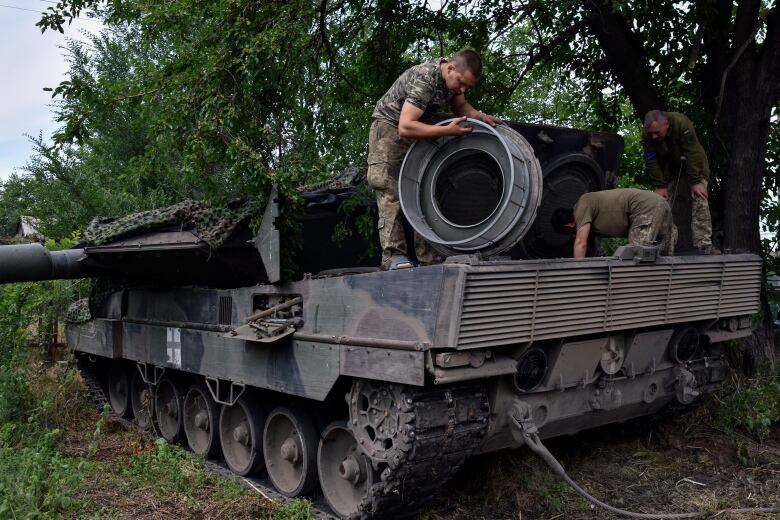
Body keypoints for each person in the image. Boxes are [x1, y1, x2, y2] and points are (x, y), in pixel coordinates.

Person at [367, 49, 503, 270]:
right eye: (461, 82)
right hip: (389, 130)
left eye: (467, 86)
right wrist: (446, 131)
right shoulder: (426, 79)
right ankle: (394, 258)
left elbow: (461, 107)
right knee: (390, 192)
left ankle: (428, 259)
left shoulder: (453, 81)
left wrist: (481, 116)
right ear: (450, 68)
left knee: (422, 191)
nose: (462, 89)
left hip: (418, 131)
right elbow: (406, 126)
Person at [642, 110, 717, 254]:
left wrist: (696, 181)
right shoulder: (648, 134)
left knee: (699, 197)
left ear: (666, 124)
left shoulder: (681, 123)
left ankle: (704, 245)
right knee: (659, 203)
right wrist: (660, 185)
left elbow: (692, 152)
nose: (653, 136)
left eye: (657, 132)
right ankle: (661, 246)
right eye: (651, 133)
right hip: (669, 168)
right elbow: (651, 160)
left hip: (694, 165)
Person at [551, 188, 673, 258]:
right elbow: (589, 247)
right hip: (659, 204)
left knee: (636, 255)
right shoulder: (588, 219)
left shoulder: (582, 206)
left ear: (569, 226)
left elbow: (580, 243)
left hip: (646, 208)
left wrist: (578, 274)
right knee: (664, 255)